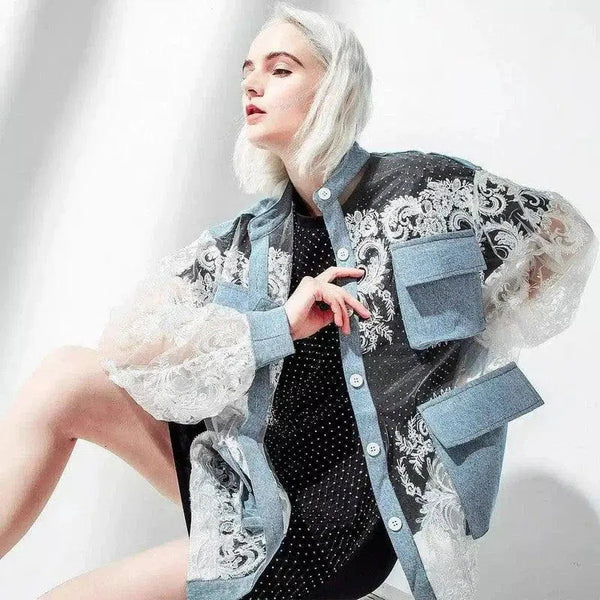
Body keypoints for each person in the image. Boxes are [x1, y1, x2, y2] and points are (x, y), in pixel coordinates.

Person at [1, 2, 597, 600]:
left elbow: (561, 234)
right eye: (247, 71)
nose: (252, 84)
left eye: (280, 69)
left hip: (332, 526)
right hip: (255, 488)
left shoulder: (424, 190)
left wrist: (466, 353)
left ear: (335, 86)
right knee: (68, 376)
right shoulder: (247, 240)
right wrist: (275, 327)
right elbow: (127, 343)